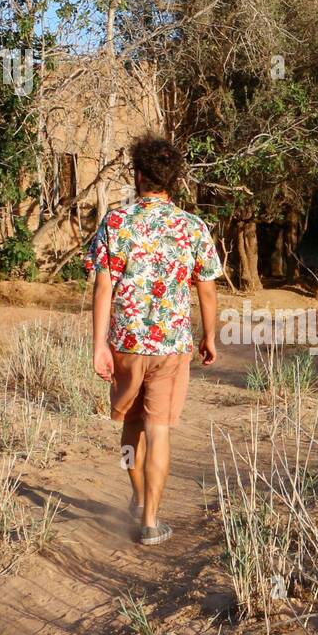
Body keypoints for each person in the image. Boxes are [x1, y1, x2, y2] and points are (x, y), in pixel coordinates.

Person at [85, 135, 221, 545]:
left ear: (139, 175)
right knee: (159, 429)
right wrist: (209, 336)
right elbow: (208, 289)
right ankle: (150, 521)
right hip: (171, 346)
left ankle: (138, 495)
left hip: (125, 344)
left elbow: (102, 288)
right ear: (173, 180)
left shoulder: (115, 222)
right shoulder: (193, 227)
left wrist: (98, 345)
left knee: (130, 426)